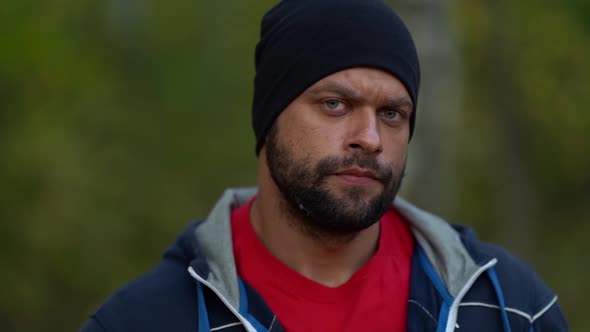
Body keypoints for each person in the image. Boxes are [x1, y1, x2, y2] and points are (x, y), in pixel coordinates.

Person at [81, 0, 569, 331]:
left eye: (392, 114)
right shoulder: (145, 320)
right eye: (335, 104)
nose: (370, 138)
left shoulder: (511, 307)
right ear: (270, 117)